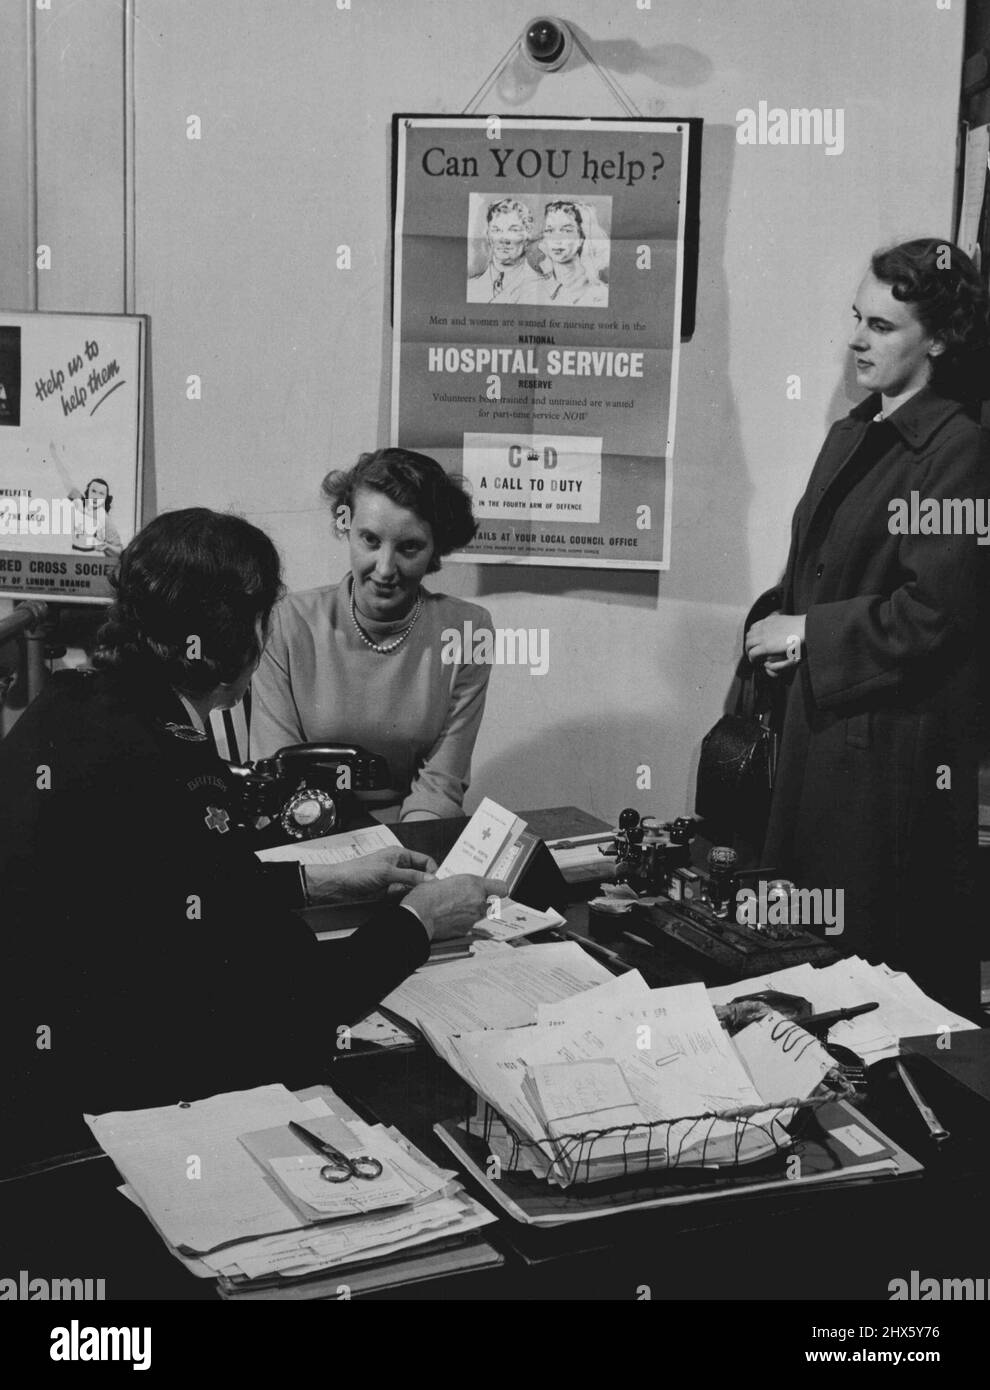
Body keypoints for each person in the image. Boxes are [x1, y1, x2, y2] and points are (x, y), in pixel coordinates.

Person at [0, 508, 502, 1166]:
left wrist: (321, 879)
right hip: (110, 1112)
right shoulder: (173, 768)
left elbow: (166, 888)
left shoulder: (68, 703)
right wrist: (418, 922)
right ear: (235, 639)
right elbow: (292, 1003)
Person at [744, 239, 989, 1014]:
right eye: (857, 318)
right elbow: (820, 574)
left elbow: (937, 613)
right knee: (805, 970)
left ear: (940, 340)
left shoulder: (959, 451)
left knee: (872, 982)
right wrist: (778, 630)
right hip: (822, 736)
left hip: (892, 764)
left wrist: (808, 635)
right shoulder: (855, 431)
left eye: (882, 326)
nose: (856, 339)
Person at [250, 448, 494, 821]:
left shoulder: (468, 631)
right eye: (370, 540)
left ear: (435, 549)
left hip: (412, 830)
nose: (384, 569)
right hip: (309, 827)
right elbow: (277, 773)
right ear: (347, 529)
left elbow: (439, 785)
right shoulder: (286, 622)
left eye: (409, 547)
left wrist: (404, 859)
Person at [466, 197, 546, 304]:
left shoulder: (544, 288)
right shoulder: (470, 287)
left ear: (527, 238)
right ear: (488, 235)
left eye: (513, 230)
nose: (503, 239)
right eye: (496, 230)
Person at [534, 200, 609, 308]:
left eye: (567, 231)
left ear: (582, 238)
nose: (557, 239)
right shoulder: (535, 289)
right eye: (550, 231)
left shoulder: (601, 295)